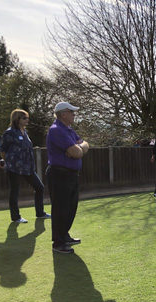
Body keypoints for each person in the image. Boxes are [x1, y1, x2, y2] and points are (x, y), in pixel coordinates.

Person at [46, 102, 89, 254]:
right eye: (71, 112)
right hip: (59, 174)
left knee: (71, 208)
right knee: (61, 209)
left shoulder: (68, 130)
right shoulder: (57, 130)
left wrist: (79, 148)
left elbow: (85, 144)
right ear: (63, 114)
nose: (74, 114)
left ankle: (64, 235)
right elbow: (77, 153)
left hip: (70, 175)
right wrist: (77, 150)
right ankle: (58, 243)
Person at [0, 109, 50, 223]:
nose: (27, 120)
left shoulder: (25, 132)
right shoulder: (10, 132)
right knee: (15, 191)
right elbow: (3, 149)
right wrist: (7, 161)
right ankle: (16, 217)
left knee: (39, 187)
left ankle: (40, 212)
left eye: (27, 118)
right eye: (24, 118)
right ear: (17, 119)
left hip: (27, 166)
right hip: (14, 167)